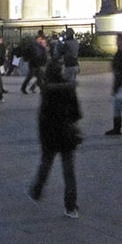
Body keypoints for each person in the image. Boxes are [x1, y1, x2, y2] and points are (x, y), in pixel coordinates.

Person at [28, 59, 83, 218]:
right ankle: (71, 206)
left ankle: (36, 191)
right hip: (66, 132)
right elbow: (76, 113)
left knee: (46, 163)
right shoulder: (68, 88)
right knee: (69, 171)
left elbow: (42, 116)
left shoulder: (46, 89)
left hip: (50, 133)